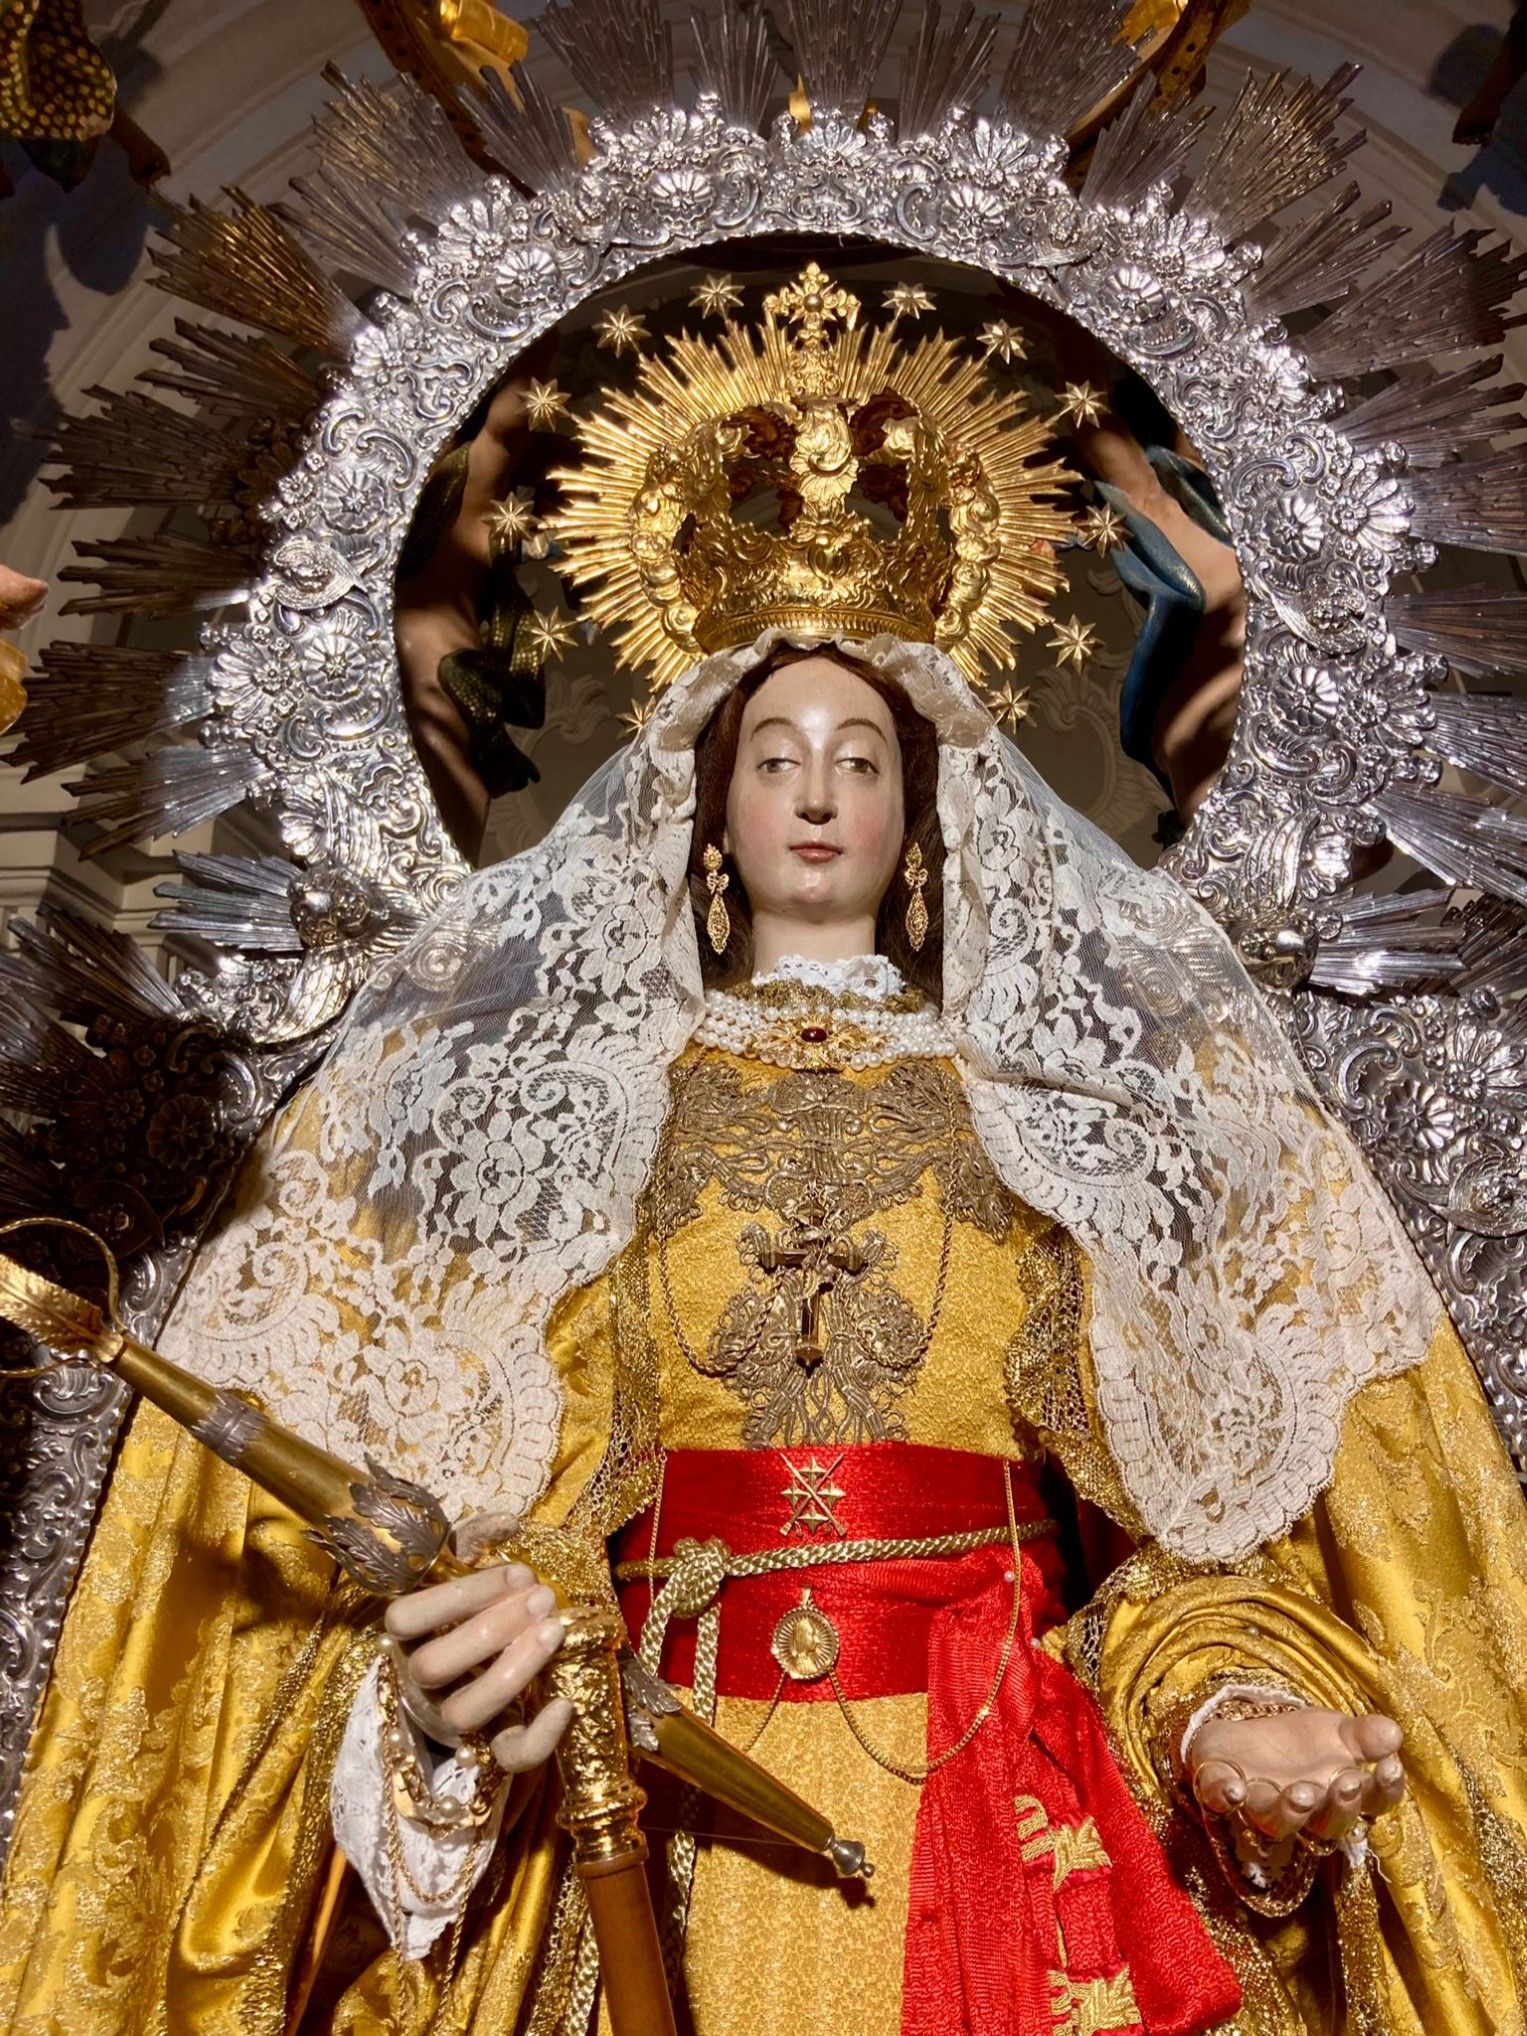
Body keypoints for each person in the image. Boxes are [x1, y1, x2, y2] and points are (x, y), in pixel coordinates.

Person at [2, 269, 1525, 2036]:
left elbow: (1169, 1549)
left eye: (861, 758)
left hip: (1002, 1826)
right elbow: (526, 1510)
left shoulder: (1061, 1112)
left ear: (924, 808)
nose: (816, 794)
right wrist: (498, 1648)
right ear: (707, 807)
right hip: (662, 1827)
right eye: (777, 757)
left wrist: (1224, 1716)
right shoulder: (583, 1113)